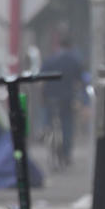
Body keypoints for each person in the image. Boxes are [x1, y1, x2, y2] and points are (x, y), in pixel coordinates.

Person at [40, 34, 86, 166]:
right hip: (67, 99)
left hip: (50, 97)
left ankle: (47, 135)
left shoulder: (50, 60)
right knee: (67, 124)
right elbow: (79, 82)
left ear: (59, 46)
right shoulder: (74, 60)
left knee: (49, 120)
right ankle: (66, 153)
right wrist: (81, 100)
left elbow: (42, 81)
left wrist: (42, 98)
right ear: (71, 46)